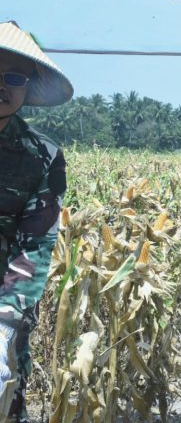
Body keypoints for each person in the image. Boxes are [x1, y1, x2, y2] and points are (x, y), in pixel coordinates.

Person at [0, 21, 72, 421]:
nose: (2, 85)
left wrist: (5, 327)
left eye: (14, 77)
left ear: (28, 87)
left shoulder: (43, 155)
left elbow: (35, 245)